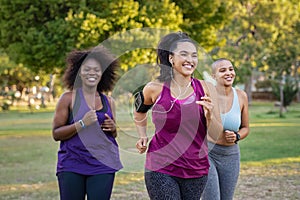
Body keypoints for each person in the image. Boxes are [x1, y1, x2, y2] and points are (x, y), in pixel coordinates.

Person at [134, 31, 215, 200]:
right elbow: (139, 110)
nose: (190, 60)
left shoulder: (206, 89)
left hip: (196, 168)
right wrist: (142, 135)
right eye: (184, 54)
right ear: (171, 58)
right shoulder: (154, 88)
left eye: (194, 55)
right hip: (160, 166)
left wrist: (209, 116)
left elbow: (216, 134)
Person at [52, 46, 123, 200]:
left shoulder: (109, 101)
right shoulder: (68, 99)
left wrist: (113, 128)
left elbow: (113, 134)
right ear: (78, 72)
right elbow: (56, 134)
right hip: (72, 163)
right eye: (87, 69)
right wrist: (82, 123)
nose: (92, 73)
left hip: (103, 165)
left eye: (97, 69)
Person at [202, 58, 250, 200]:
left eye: (231, 69)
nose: (228, 73)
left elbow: (246, 127)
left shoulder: (241, 96)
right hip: (208, 153)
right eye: (222, 70)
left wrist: (237, 136)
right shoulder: (207, 95)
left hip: (231, 155)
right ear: (213, 76)